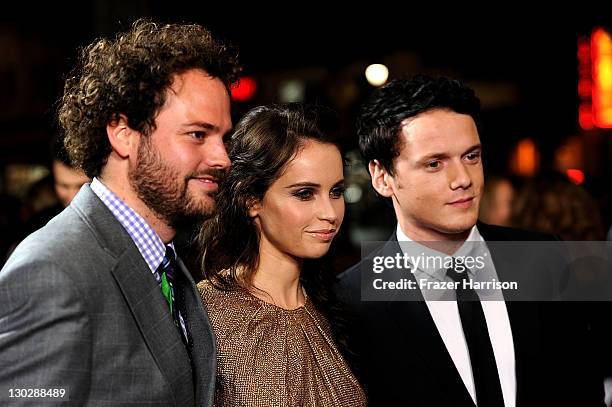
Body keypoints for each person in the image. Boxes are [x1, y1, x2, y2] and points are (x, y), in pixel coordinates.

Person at [0, 19, 240, 406]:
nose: (223, 158)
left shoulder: (168, 261)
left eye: (223, 137)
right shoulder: (52, 271)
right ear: (123, 132)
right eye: (198, 134)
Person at [334, 75, 604, 406]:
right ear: (381, 177)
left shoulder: (543, 258)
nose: (463, 179)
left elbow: (582, 389)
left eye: (471, 156)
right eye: (434, 164)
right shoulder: (349, 302)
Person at [197, 103, 366, 406]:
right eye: (304, 194)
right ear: (251, 200)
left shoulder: (337, 307)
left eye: (336, 192)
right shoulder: (207, 310)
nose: (330, 213)